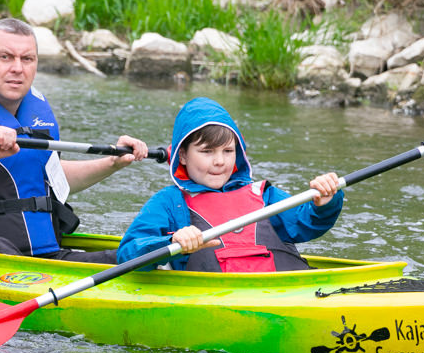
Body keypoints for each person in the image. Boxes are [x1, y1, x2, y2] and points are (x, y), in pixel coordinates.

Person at [0, 17, 148, 263]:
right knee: (0, 248)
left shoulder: (37, 117)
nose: (17, 68)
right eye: (5, 57)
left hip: (45, 257)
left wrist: (112, 163)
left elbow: (52, 178)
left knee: (137, 259)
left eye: (27, 59)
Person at [116, 96, 343, 272]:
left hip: (282, 292)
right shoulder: (169, 202)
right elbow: (128, 253)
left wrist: (325, 202)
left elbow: (308, 223)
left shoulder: (263, 195)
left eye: (228, 151)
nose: (219, 161)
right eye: (207, 152)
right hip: (210, 297)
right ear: (182, 156)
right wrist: (171, 241)